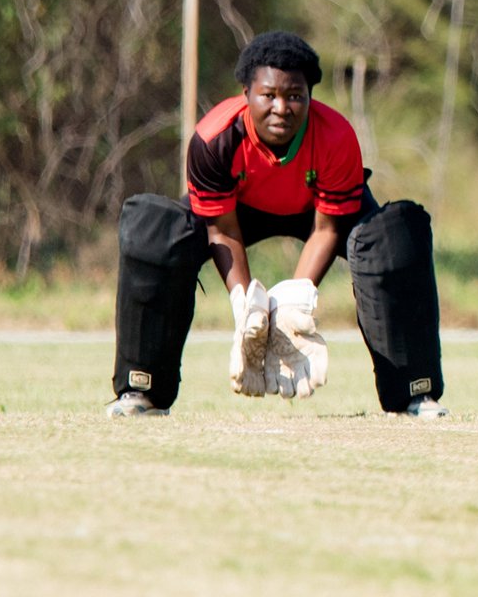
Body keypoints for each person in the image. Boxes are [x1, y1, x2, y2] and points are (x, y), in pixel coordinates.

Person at [107, 30, 447, 419]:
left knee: (393, 238)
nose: (282, 107)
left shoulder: (335, 137)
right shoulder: (213, 138)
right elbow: (222, 230)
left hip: (319, 214)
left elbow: (327, 228)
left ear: (310, 97)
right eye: (268, 95)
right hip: (237, 212)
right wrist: (245, 307)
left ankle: (413, 394)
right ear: (246, 93)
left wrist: (291, 304)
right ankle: (141, 389)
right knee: (154, 232)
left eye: (295, 96)